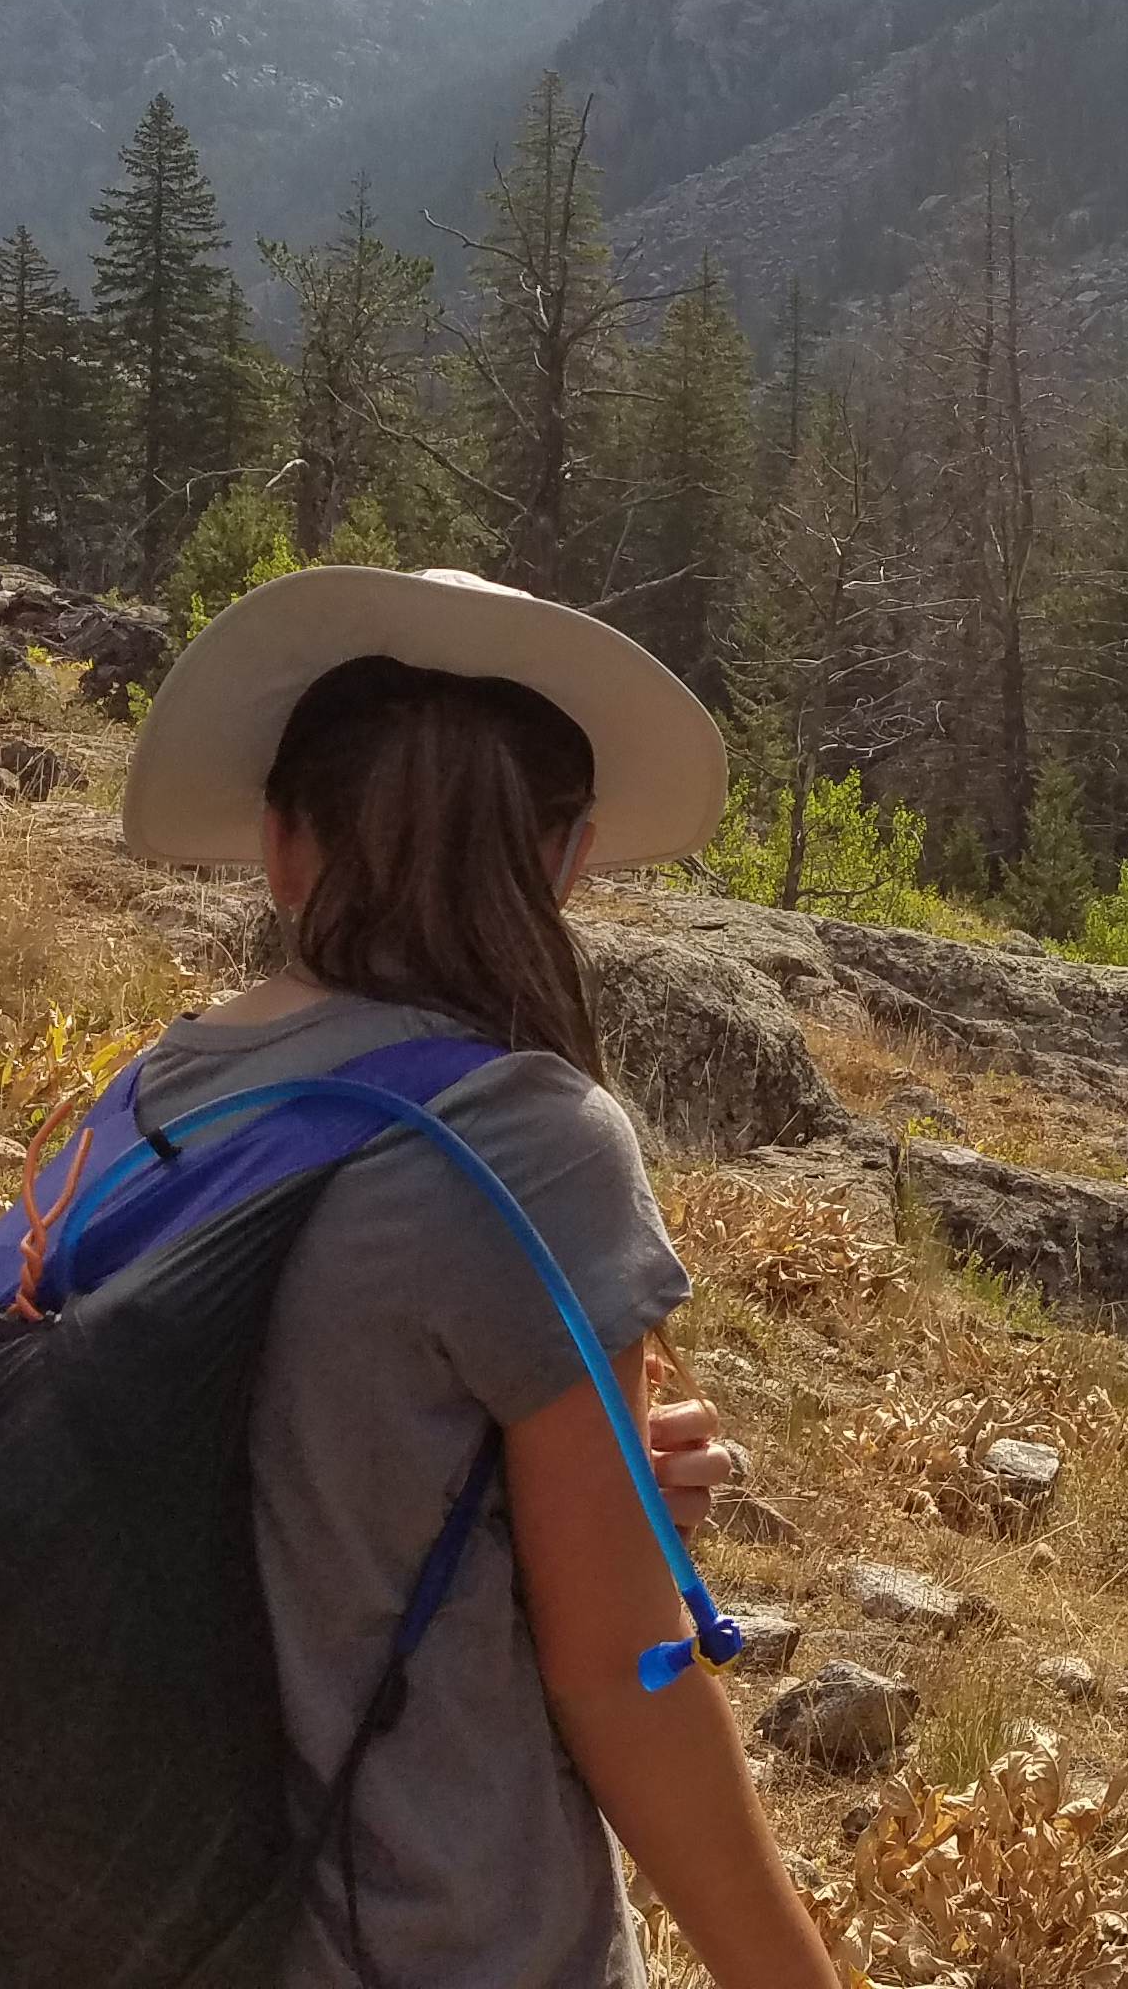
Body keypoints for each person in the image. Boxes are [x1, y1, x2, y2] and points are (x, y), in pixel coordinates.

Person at [118, 565, 844, 1989]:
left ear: (278, 845)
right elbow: (618, 1674)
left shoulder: (154, 1098)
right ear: (568, 862)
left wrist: (567, 1487)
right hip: (427, 1933)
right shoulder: (527, 1143)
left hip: (150, 1904)